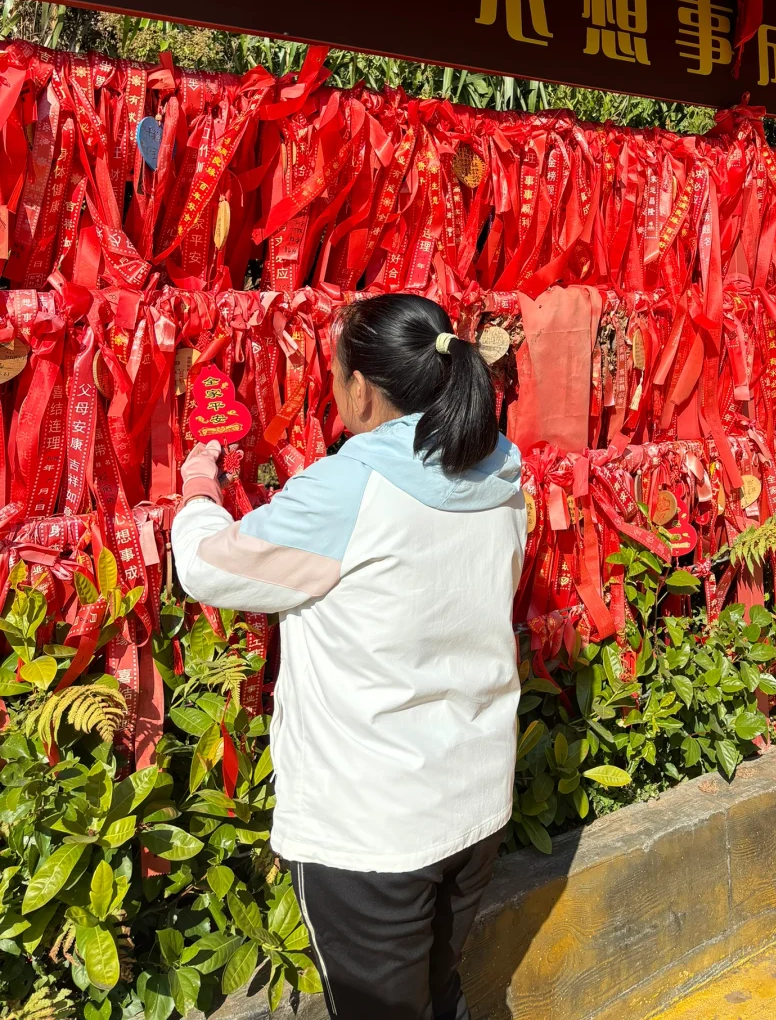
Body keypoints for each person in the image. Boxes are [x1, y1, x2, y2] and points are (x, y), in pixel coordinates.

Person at [171, 294, 527, 1020]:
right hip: (474, 806)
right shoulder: (498, 473)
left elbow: (207, 565)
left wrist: (200, 488)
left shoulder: (351, 489)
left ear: (361, 389)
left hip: (376, 835)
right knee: (442, 996)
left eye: (334, 374)